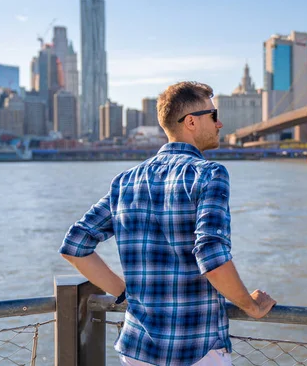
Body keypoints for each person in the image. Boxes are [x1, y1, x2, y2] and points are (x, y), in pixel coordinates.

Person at [59, 81, 276, 366]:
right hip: (197, 350)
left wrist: (126, 293)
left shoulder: (125, 181)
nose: (219, 123)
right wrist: (250, 305)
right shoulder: (209, 174)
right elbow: (211, 253)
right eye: (213, 115)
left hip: (138, 350)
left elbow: (75, 245)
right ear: (191, 122)